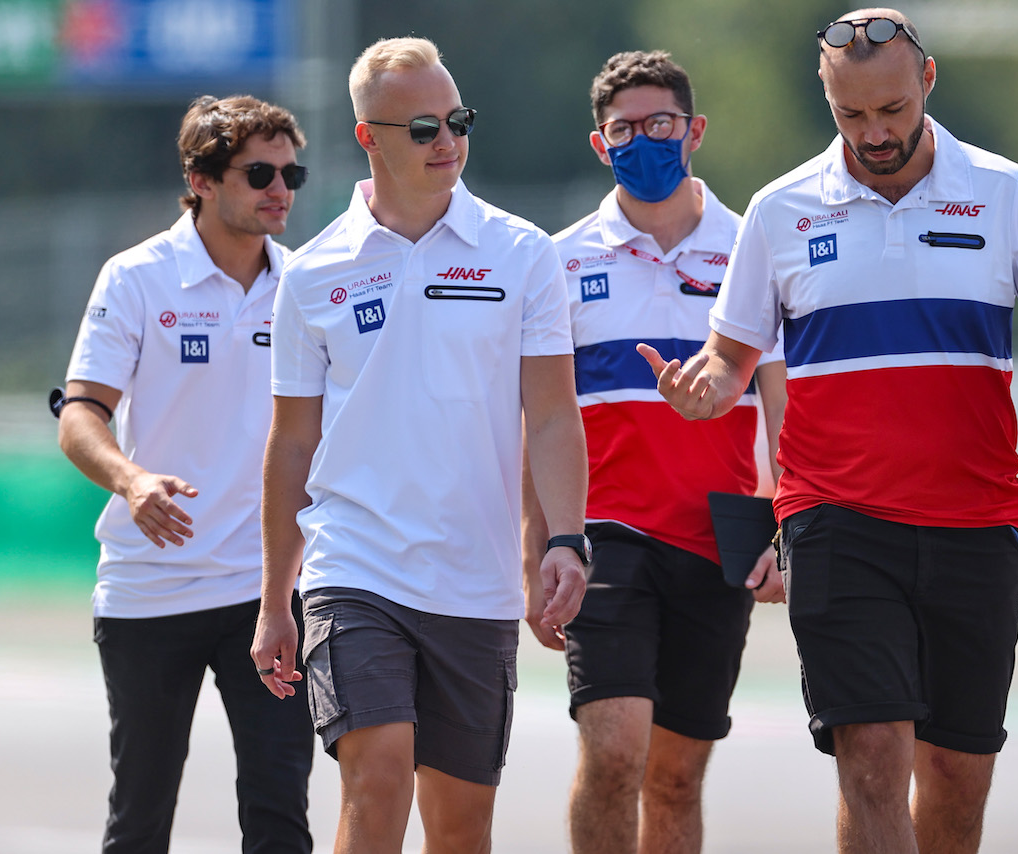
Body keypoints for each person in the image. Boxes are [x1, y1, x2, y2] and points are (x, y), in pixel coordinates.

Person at [640, 9, 1018, 853]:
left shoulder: (1006, 190)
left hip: (979, 524)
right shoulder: (781, 211)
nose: (874, 133)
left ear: (928, 82)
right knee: (872, 759)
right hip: (836, 522)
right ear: (826, 95)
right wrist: (707, 388)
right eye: (852, 115)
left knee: (954, 784)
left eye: (891, 111)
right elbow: (729, 358)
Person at [249, 37, 589, 854]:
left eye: (458, 122)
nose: (448, 143)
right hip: (354, 568)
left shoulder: (523, 253)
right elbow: (293, 443)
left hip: (474, 584)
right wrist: (273, 600)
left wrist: (566, 541)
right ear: (369, 137)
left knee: (461, 827)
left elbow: (550, 415)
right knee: (377, 777)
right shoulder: (313, 273)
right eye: (424, 128)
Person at [521, 50, 786, 854]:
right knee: (613, 753)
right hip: (606, 536)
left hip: (719, 537)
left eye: (660, 124)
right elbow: (539, 419)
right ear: (600, 145)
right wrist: (541, 549)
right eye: (624, 130)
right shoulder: (559, 260)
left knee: (675, 775)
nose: (645, 141)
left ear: (693, 130)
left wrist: (787, 526)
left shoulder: (754, 247)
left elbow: (785, 405)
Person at [56, 95, 314, 853]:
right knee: (140, 815)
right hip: (150, 589)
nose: (280, 188)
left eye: (290, 170)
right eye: (258, 171)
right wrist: (132, 481)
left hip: (270, 594)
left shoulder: (307, 283)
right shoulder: (136, 277)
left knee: (278, 814)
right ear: (201, 181)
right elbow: (79, 415)